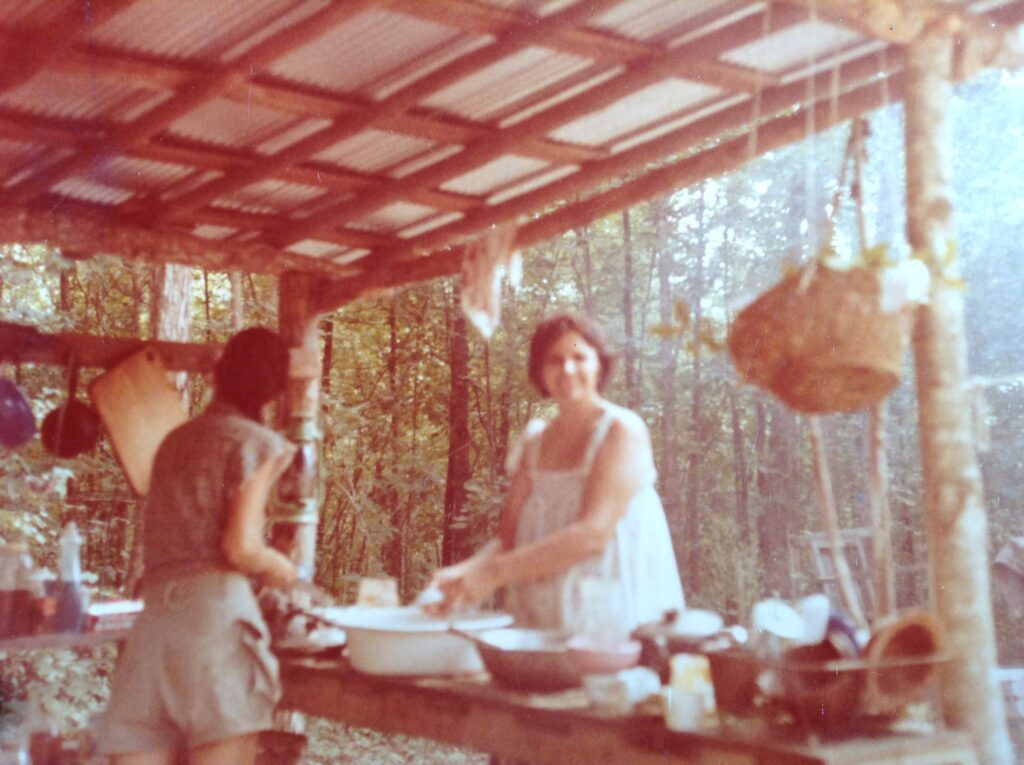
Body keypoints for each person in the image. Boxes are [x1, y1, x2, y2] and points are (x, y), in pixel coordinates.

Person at [99, 328, 298, 765]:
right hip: (213, 629)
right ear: (274, 389)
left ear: (220, 375)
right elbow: (241, 548)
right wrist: (278, 565)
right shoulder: (260, 444)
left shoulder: (175, 441)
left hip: (153, 630)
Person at [429, 312, 684, 634]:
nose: (567, 370)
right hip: (541, 612)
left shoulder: (622, 431)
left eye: (579, 357)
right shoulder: (534, 440)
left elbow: (592, 536)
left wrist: (492, 574)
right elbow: (506, 539)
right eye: (554, 360)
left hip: (612, 611)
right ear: (539, 370)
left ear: (599, 365)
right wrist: (463, 574)